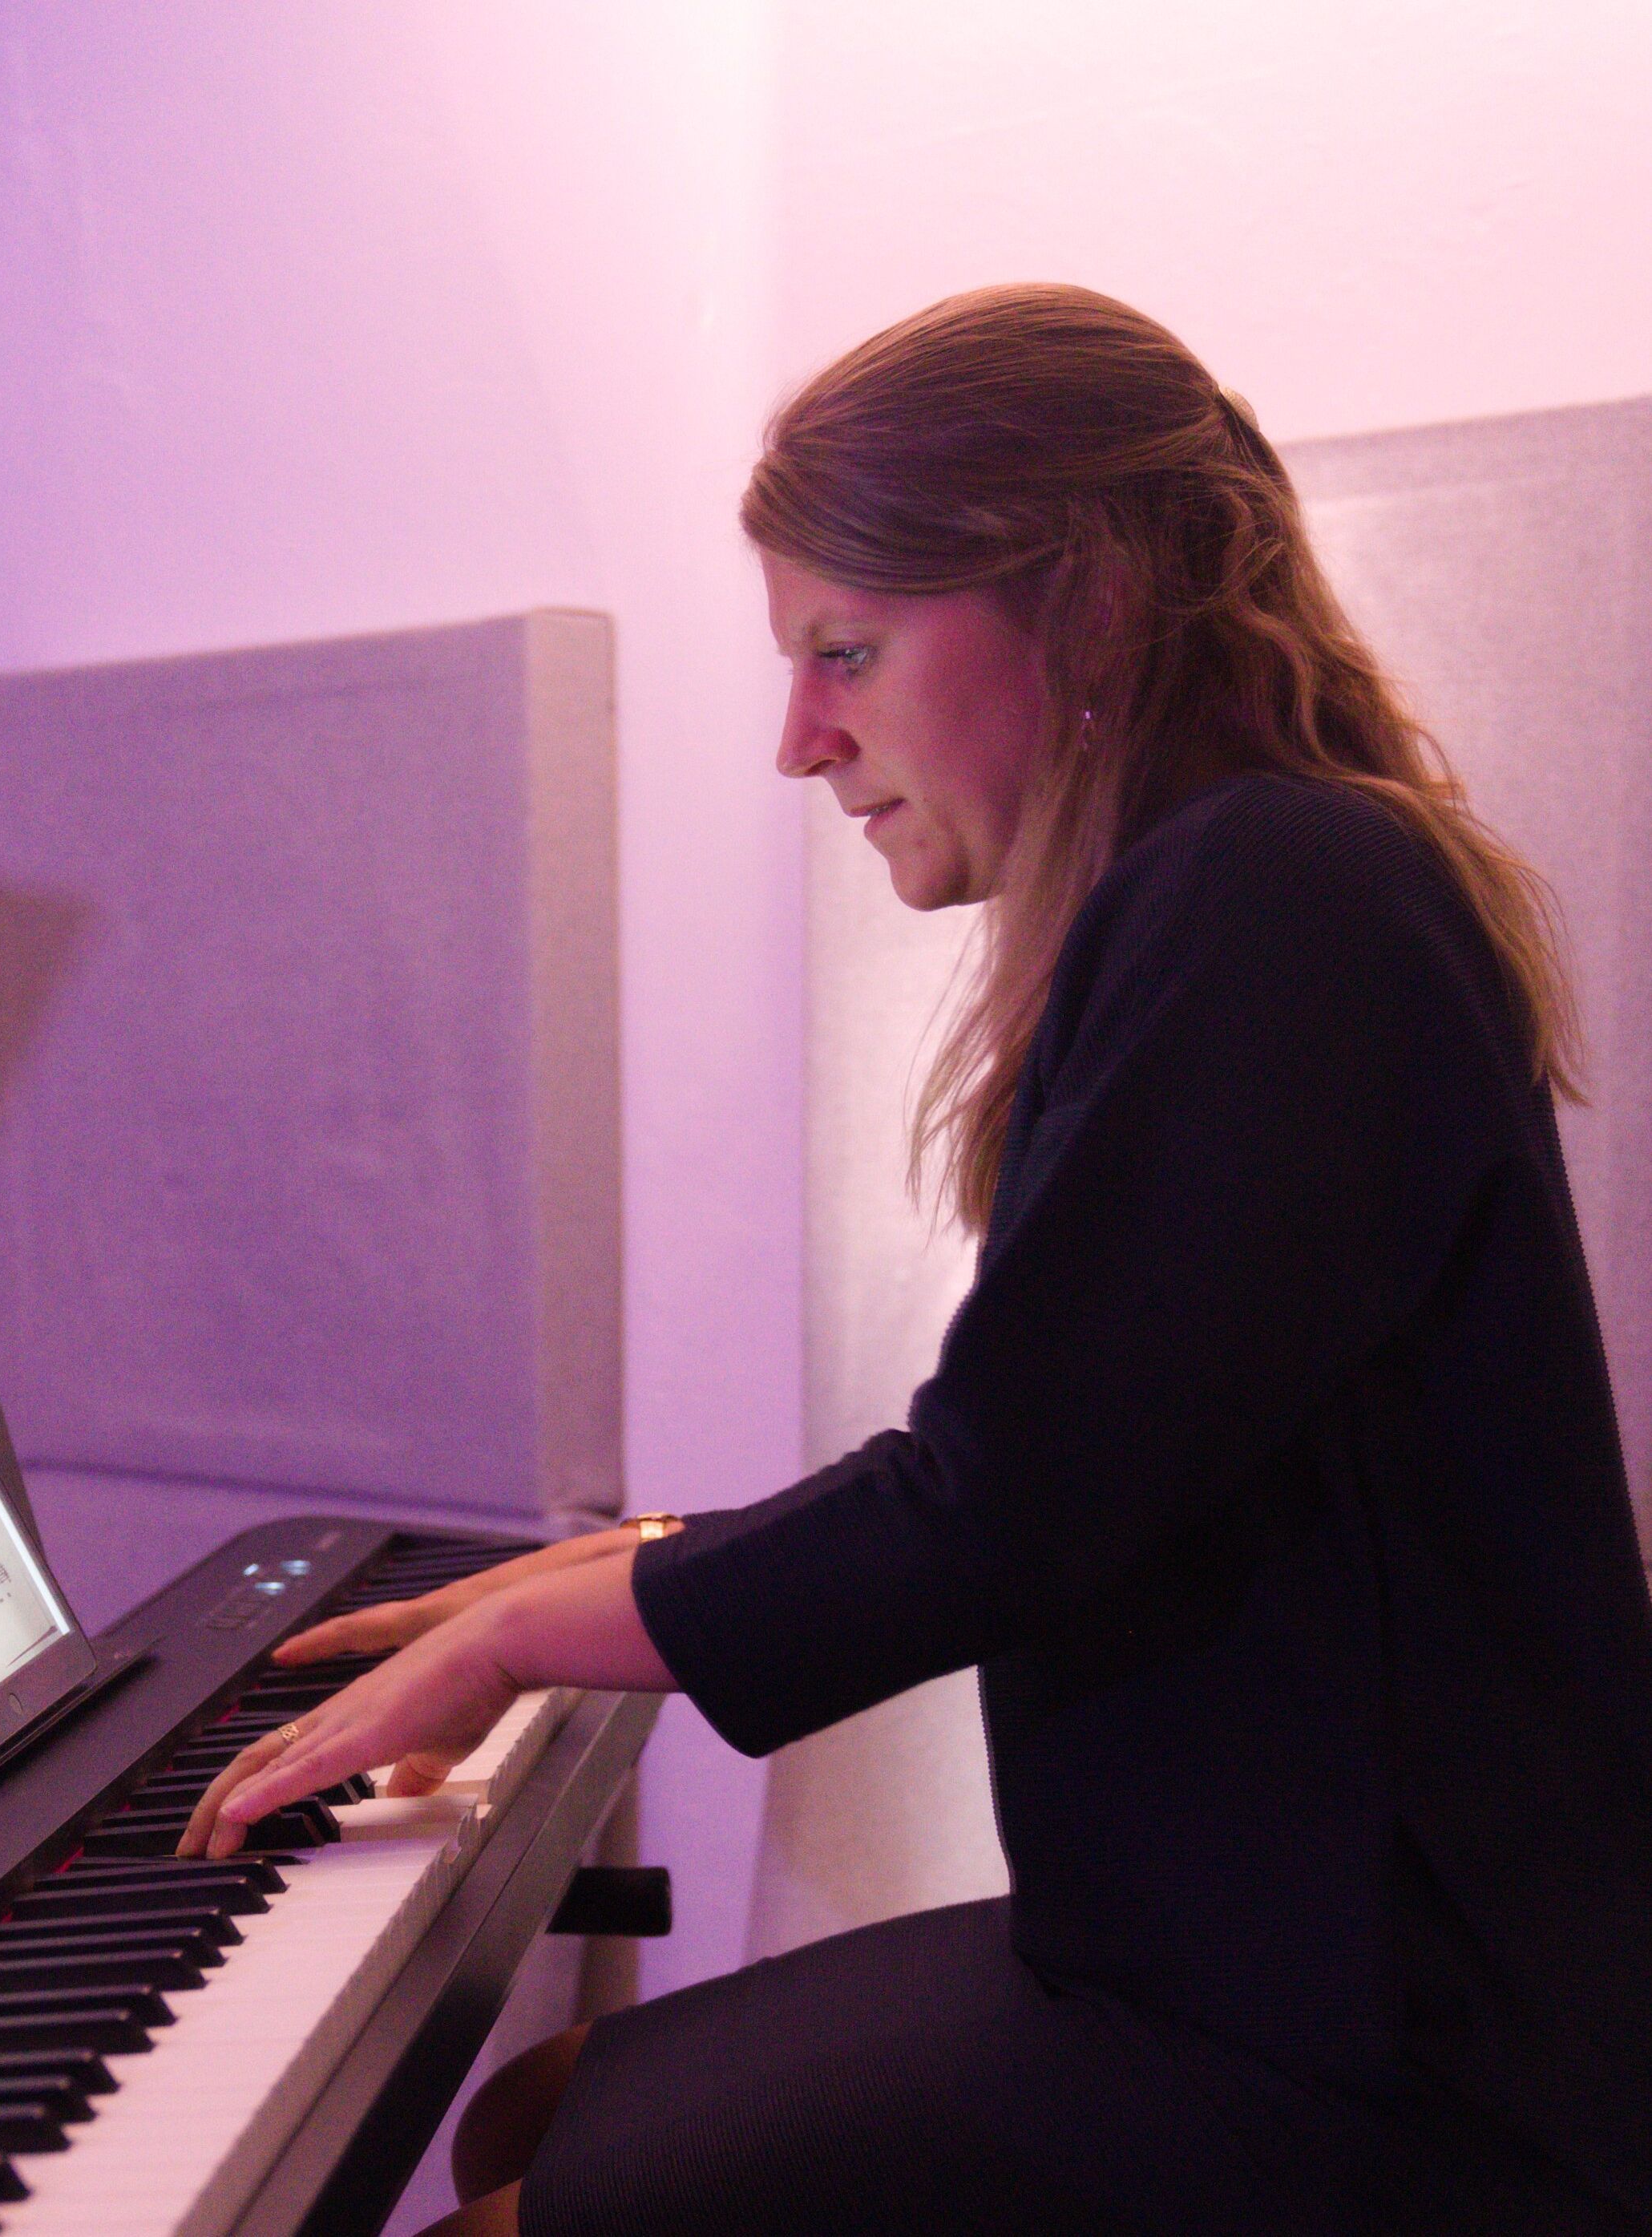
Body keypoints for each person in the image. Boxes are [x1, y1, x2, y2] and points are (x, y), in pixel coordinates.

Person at [181, 284, 1652, 2235]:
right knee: (536, 2104)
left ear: (1091, 599)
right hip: (1221, 1943)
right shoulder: (1231, 883)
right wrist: (565, 1582)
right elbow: (1058, 1448)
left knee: (509, 2201)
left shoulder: (1278, 896)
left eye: (843, 651)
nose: (801, 740)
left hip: (1378, 2046)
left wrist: (531, 1632)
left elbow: (997, 1507)